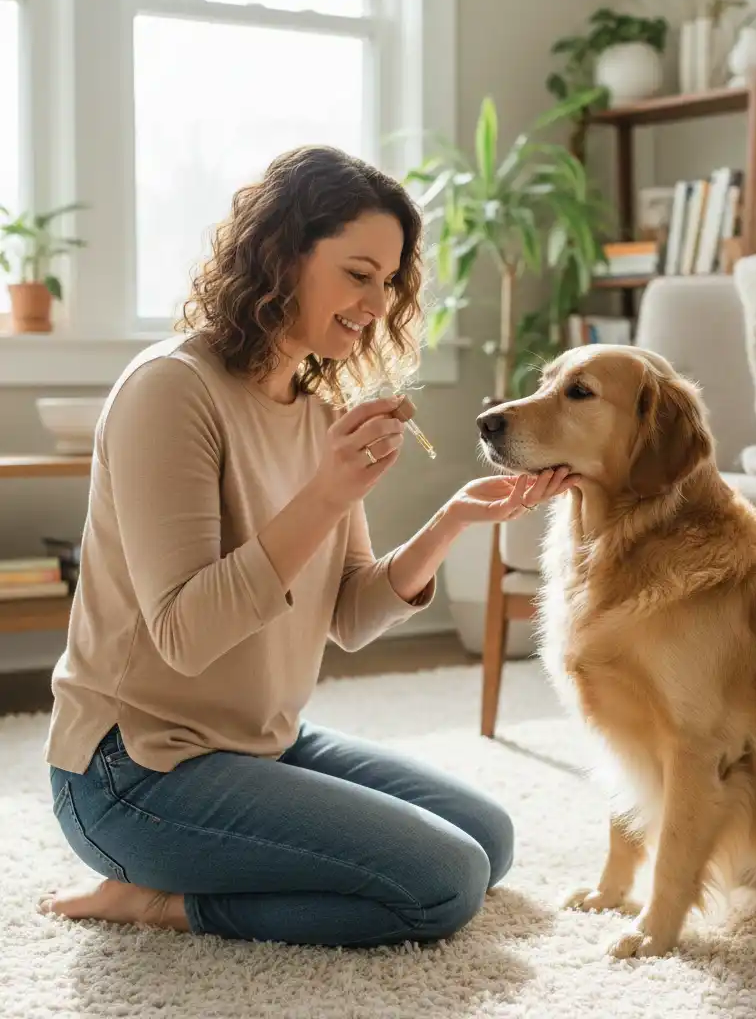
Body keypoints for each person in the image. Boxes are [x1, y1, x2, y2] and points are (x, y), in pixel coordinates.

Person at [40, 146, 576, 949]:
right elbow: (184, 635)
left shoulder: (318, 406)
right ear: (281, 255)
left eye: (388, 281)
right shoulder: (170, 391)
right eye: (358, 273)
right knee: (445, 883)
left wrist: (452, 521)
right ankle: (155, 902)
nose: (377, 303)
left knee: (488, 838)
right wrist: (326, 493)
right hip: (134, 772)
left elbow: (349, 615)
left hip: (260, 742)